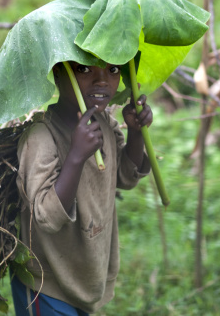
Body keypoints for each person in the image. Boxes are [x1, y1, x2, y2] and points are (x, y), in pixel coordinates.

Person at [11, 61, 152, 315]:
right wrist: (76, 156)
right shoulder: (41, 136)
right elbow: (47, 217)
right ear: (58, 71)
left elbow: (124, 178)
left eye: (113, 70)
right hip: (48, 284)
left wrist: (136, 132)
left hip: (87, 276)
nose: (101, 80)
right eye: (84, 69)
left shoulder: (104, 124)